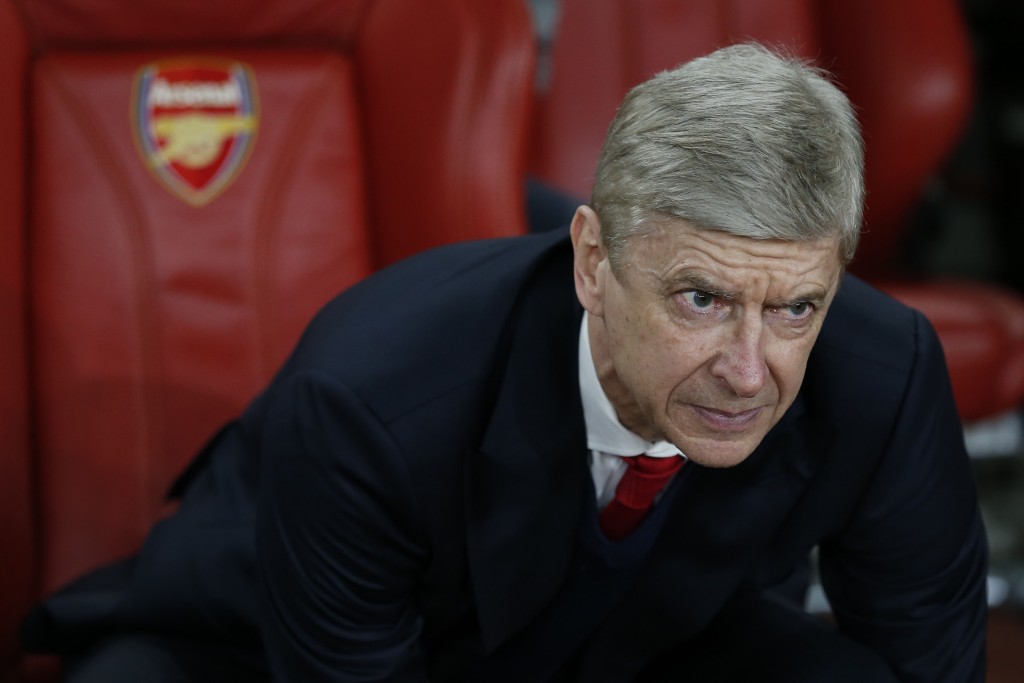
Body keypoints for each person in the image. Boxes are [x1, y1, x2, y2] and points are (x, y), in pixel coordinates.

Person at [22, 43, 987, 682]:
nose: (748, 369)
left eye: (796, 308)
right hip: (261, 642)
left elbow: (923, 658)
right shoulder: (371, 397)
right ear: (594, 261)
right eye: (701, 298)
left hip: (645, 634)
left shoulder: (883, 369)